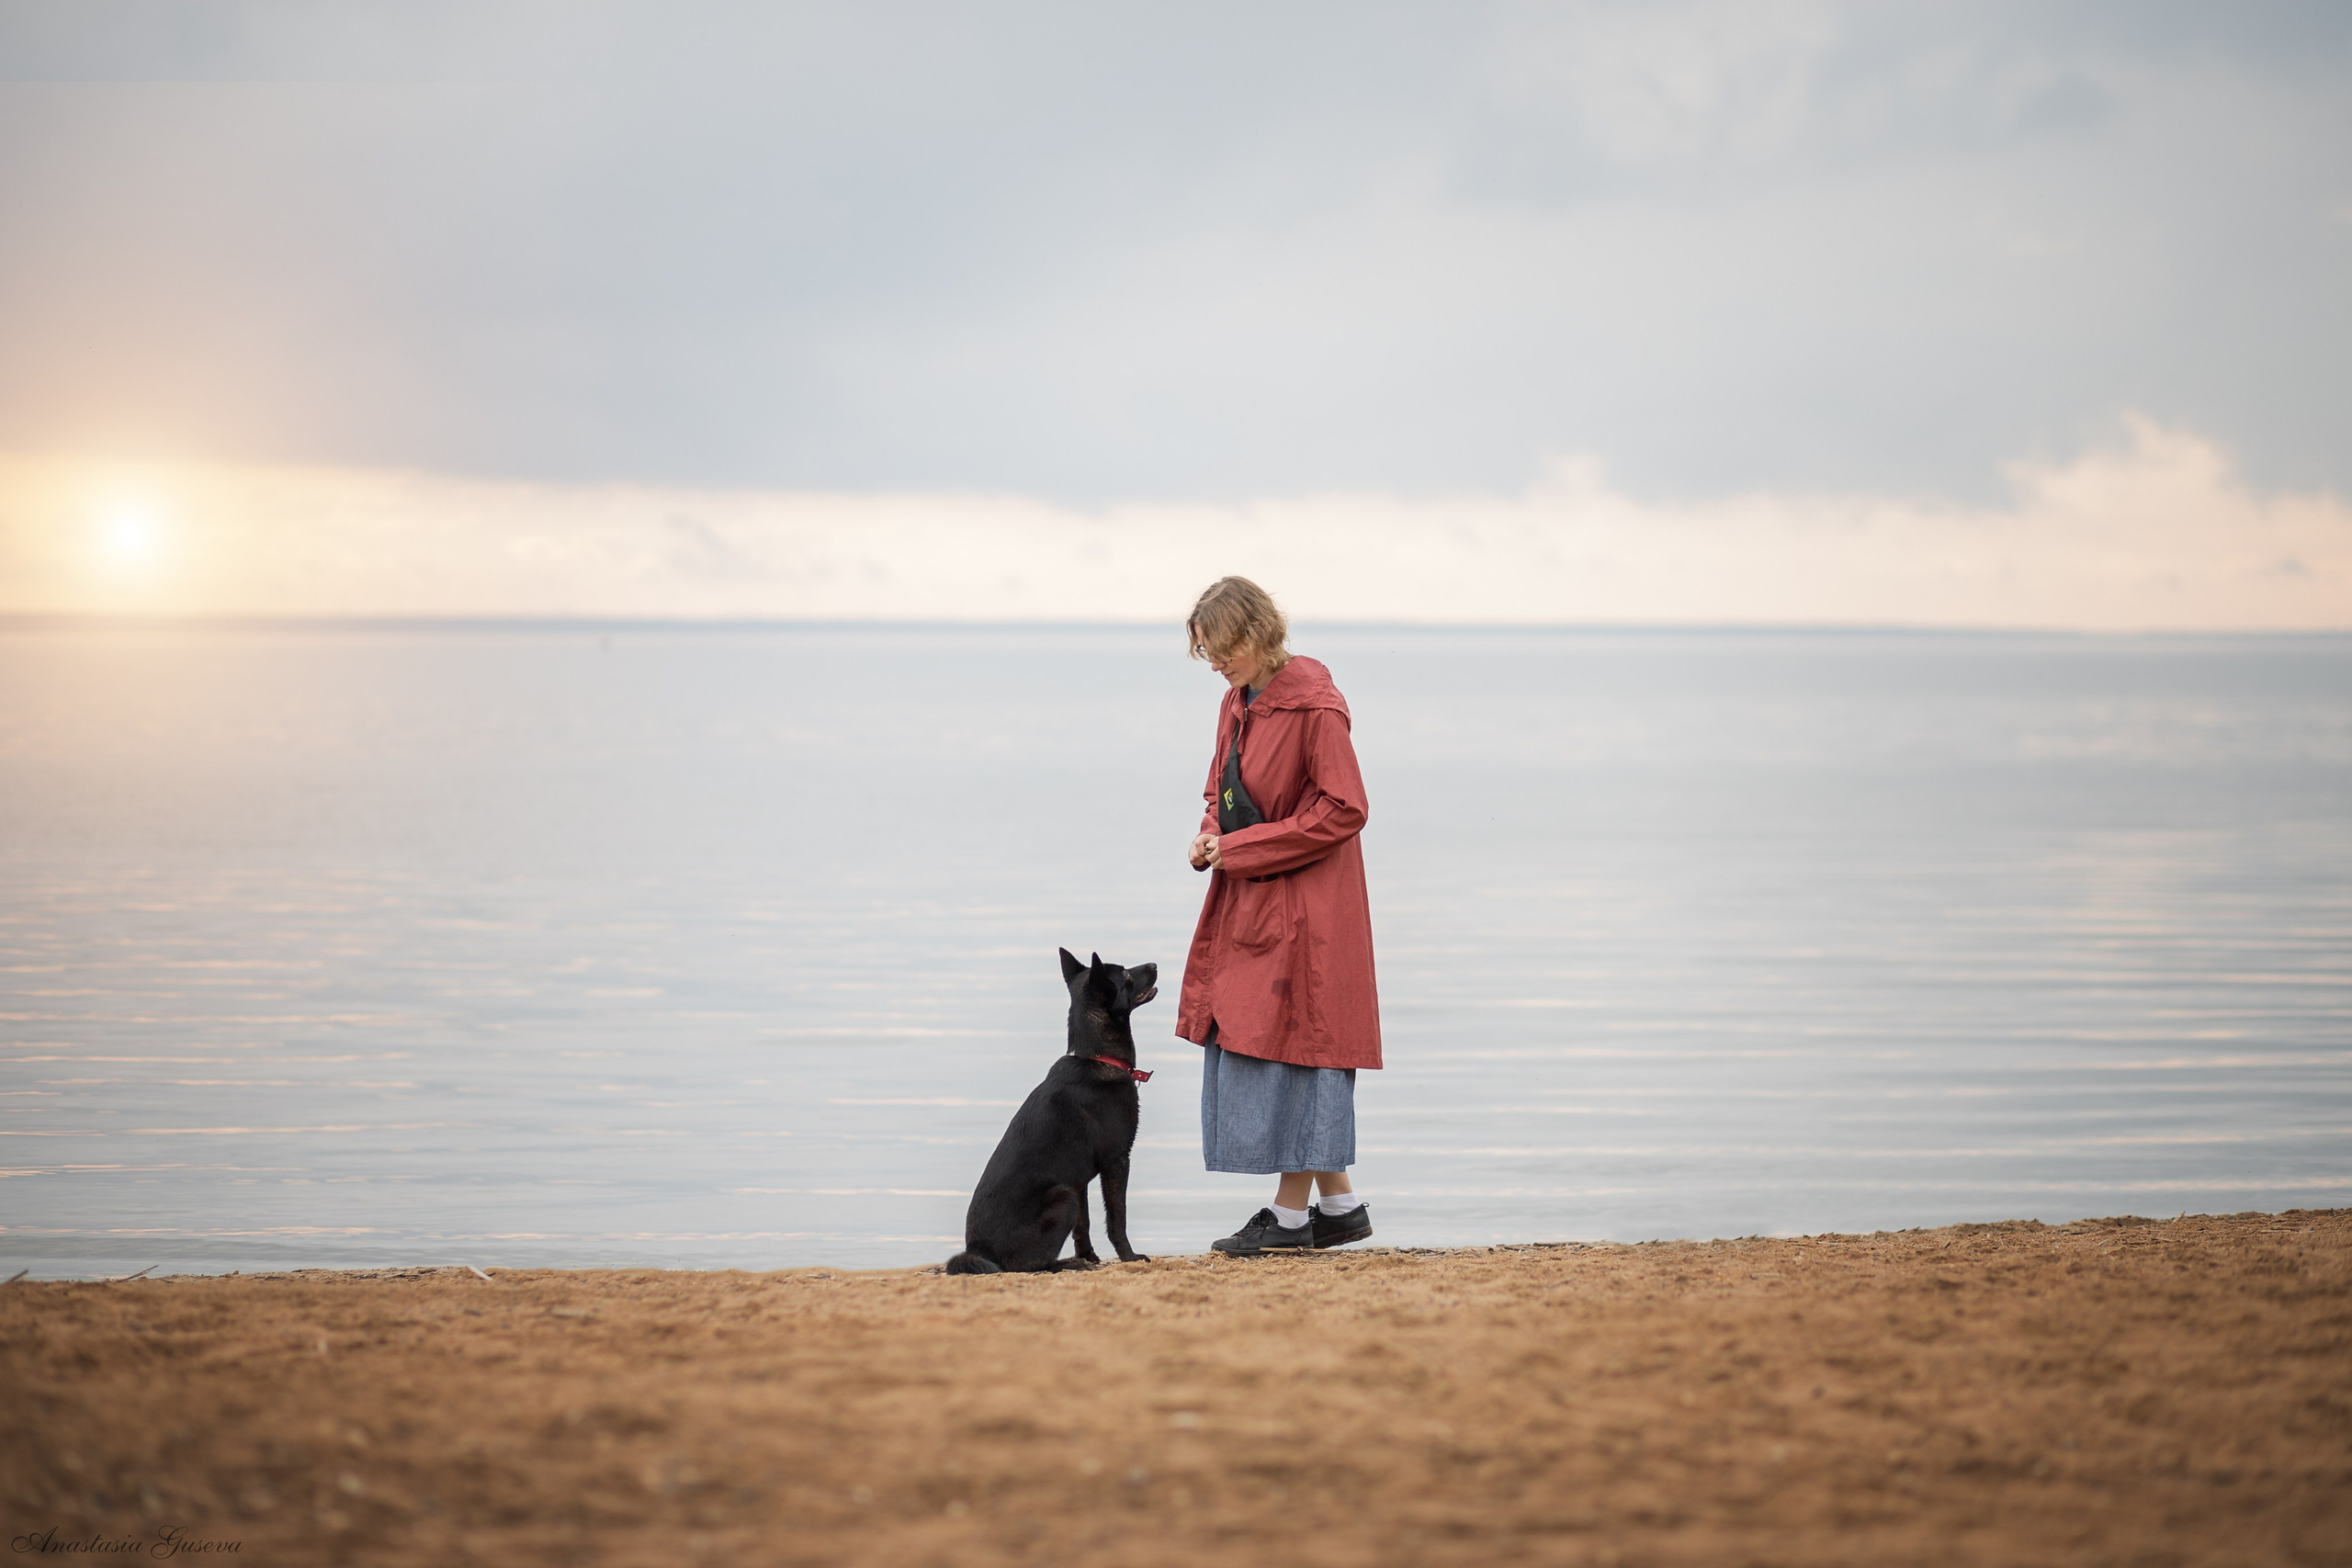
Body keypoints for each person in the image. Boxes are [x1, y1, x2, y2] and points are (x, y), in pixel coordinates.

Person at [1176, 576, 1382, 1255]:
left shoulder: (1316, 706)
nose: (1214, 662)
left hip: (1313, 907)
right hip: (1255, 895)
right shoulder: (1237, 702)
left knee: (1303, 1044)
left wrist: (1241, 846)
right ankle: (1340, 1204)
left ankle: (1292, 1219)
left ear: (1257, 632)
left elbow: (1345, 808)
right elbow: (1221, 786)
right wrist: (1213, 833)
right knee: (1281, 1040)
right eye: (1205, 650)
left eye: (1221, 647)